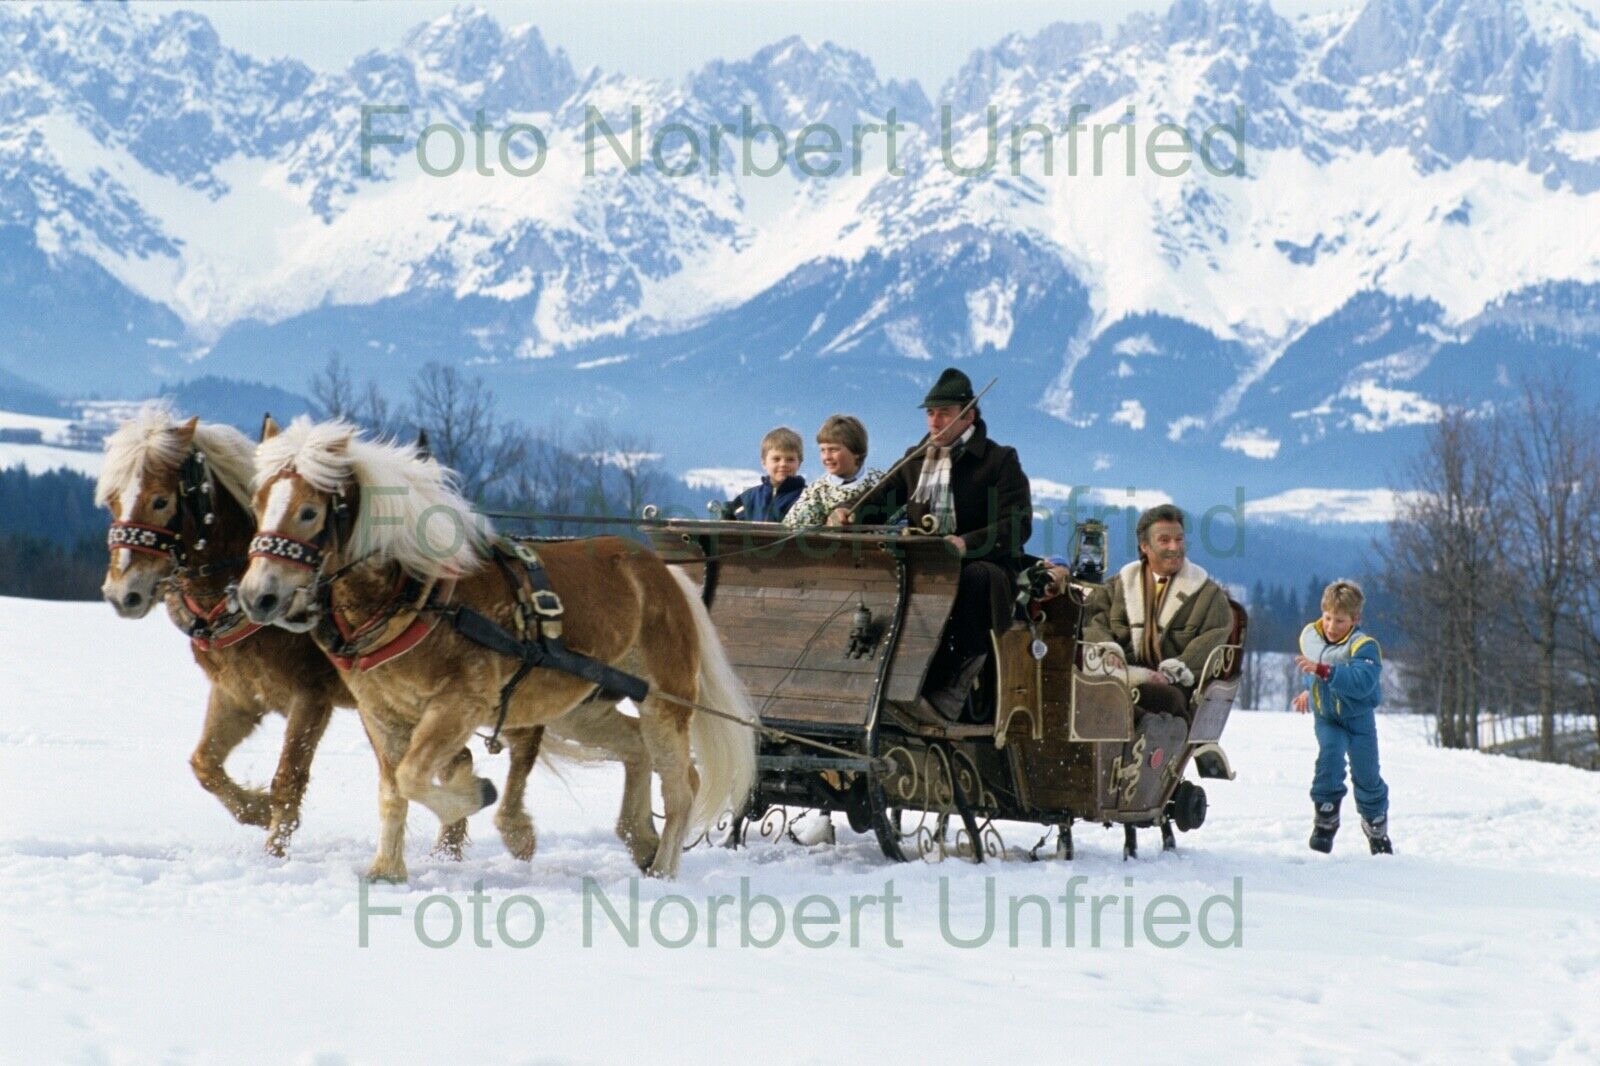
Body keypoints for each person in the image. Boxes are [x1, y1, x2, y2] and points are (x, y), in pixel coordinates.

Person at [831, 367, 1033, 719]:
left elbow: (1017, 526)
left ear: (968, 416)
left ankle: (951, 687)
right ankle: (874, 677)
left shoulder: (999, 461)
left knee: (976, 581)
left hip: (983, 565)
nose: (934, 422)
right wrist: (847, 511)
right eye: (930, 413)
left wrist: (966, 543)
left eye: (944, 413)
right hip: (927, 563)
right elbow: (876, 502)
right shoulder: (916, 459)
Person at [1081, 504, 1233, 722]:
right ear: (1145, 546)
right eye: (1164, 540)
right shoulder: (1116, 587)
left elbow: (1211, 644)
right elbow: (1095, 623)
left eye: (1179, 539)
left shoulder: (1208, 595)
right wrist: (1109, 651)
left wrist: (1174, 672)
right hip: (1119, 675)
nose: (1174, 547)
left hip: (1172, 687)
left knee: (1154, 697)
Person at [1293, 579, 1392, 855]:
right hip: (1327, 718)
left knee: (1366, 774)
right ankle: (1326, 817)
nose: (1331, 626)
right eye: (1327, 618)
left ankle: (1376, 826)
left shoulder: (1364, 647)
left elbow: (1362, 681)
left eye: (1340, 620)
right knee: (1330, 756)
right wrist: (1307, 690)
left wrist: (1325, 672)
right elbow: (1314, 671)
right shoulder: (1315, 639)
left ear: (1354, 619)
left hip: (1358, 721)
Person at [782, 415, 883, 528]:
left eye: (833, 449)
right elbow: (792, 527)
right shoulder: (818, 490)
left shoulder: (881, 482)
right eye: (822, 450)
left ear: (856, 451)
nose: (826, 457)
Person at [729, 426, 806, 522]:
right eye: (776, 459)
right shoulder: (748, 499)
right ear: (764, 462)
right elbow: (723, 521)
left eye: (790, 459)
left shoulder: (807, 498)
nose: (783, 464)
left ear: (799, 463)